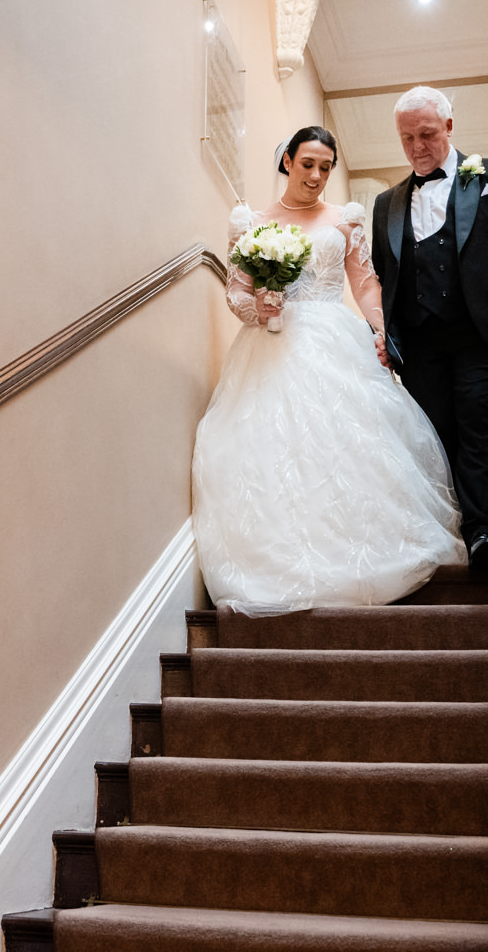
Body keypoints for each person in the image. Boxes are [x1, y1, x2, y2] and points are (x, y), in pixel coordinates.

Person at [191, 126, 467, 610]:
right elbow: (235, 291)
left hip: (334, 338)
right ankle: (285, 560)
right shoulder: (251, 222)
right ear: (288, 162)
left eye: (325, 167)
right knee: (275, 449)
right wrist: (260, 306)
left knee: (350, 446)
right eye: (307, 165)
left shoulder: (345, 219)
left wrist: (382, 331)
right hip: (268, 347)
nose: (316, 176)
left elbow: (364, 284)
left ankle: (359, 553)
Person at [368, 86, 488, 568]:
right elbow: (386, 277)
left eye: (426, 134)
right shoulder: (387, 203)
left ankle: (486, 531)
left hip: (481, 334)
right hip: (421, 344)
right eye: (407, 139)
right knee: (432, 432)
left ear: (449, 126)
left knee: (477, 420)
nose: (417, 146)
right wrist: (386, 335)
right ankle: (444, 531)